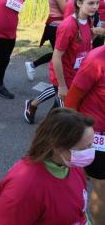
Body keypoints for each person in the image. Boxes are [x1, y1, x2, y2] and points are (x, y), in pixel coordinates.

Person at [0, 108, 94, 225]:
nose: (90, 152)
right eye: (83, 148)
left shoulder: (72, 165)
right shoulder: (24, 186)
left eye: (91, 145)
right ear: (57, 147)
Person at [24, 0, 99, 123]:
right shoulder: (68, 26)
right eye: (91, 3)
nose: (95, 7)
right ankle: (53, 135)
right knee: (68, 112)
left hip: (77, 72)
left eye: (97, 3)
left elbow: (85, 39)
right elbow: (56, 56)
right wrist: (62, 85)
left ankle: (33, 105)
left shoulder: (88, 20)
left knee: (60, 101)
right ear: (79, 3)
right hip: (64, 74)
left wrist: (95, 32)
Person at [66, 45, 105, 225]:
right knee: (102, 187)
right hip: (96, 135)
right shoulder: (97, 59)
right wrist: (74, 139)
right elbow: (71, 101)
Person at [25, 0, 73, 81]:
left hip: (64, 25)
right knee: (61, 53)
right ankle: (58, 81)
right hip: (55, 26)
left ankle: (33, 65)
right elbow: (66, 10)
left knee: (61, 53)